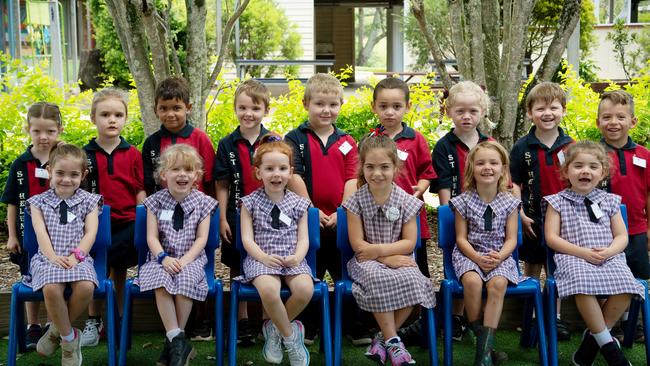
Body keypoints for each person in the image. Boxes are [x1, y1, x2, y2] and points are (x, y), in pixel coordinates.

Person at [543, 141, 644, 366]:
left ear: (603, 173)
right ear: (566, 170)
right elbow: (552, 238)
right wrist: (583, 253)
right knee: (582, 282)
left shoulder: (610, 201)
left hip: (608, 257)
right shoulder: (556, 201)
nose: (585, 171)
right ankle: (610, 350)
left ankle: (592, 341)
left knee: (627, 283)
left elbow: (621, 237)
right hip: (573, 257)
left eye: (593, 166)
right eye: (578, 166)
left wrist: (609, 252)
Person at [343, 131, 435, 366]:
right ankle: (394, 342)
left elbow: (409, 242)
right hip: (366, 262)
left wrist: (384, 254)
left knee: (415, 280)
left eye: (384, 167)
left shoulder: (406, 200)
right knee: (377, 277)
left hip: (399, 258)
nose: (377, 173)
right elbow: (358, 244)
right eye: (370, 167)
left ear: (396, 167)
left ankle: (382, 339)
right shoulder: (355, 201)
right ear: (362, 168)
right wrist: (384, 258)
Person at [285, 73, 363, 344]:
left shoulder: (347, 142)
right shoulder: (295, 139)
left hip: (341, 222)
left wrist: (341, 211)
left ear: (340, 105)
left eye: (333, 104)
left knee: (346, 272)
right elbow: (293, 176)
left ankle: (354, 327)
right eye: (319, 104)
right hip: (308, 222)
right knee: (309, 274)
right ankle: (307, 327)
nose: (326, 110)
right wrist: (312, 210)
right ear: (306, 103)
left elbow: (352, 177)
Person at [141, 76, 217, 340]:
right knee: (168, 271)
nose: (170, 113)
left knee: (193, 268)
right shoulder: (152, 143)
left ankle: (201, 319)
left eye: (176, 107)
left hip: (196, 214)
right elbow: (148, 184)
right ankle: (176, 334)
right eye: (164, 108)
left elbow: (211, 180)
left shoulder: (200, 138)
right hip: (164, 215)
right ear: (156, 110)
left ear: (188, 107)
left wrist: (208, 210)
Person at [139, 144, 218, 366]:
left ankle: (174, 345)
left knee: (185, 280)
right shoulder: (154, 202)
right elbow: (152, 238)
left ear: (197, 175)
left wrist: (184, 261)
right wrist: (163, 258)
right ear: (164, 174)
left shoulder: (204, 203)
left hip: (191, 258)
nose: (182, 174)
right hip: (161, 257)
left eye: (188, 169)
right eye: (175, 169)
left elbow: (202, 239)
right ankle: (179, 343)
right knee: (161, 281)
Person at [238, 134, 313, 366]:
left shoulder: (299, 204)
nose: (276, 174)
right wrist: (263, 257)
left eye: (282, 168)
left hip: (292, 258)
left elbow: (303, 239)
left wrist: (298, 257)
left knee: (304, 290)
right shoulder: (249, 203)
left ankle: (274, 330)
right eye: (269, 168)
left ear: (290, 172)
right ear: (258, 172)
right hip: (261, 258)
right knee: (269, 291)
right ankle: (291, 339)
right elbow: (247, 240)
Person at [25, 144, 103, 366]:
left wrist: (77, 256)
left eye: (74, 174)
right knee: (51, 287)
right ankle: (70, 340)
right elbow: (40, 232)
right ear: (49, 170)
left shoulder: (90, 201)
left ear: (84, 175)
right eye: (60, 173)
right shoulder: (38, 202)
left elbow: (91, 232)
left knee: (86, 286)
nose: (66, 180)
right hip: (47, 258)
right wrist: (52, 257)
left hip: (78, 257)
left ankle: (55, 332)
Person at [80, 88, 146, 347]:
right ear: (93, 118)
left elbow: (140, 189)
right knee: (97, 270)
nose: (112, 120)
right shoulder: (85, 154)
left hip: (127, 222)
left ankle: (117, 317)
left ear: (125, 119)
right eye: (105, 114)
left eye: (118, 115)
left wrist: (143, 217)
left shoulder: (133, 153)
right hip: (94, 224)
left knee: (118, 269)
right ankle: (94, 319)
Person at [509, 81, 574, 340]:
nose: (547, 113)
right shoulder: (522, 147)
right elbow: (515, 183)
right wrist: (520, 213)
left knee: (557, 270)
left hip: (563, 221)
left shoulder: (571, 146)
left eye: (554, 108)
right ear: (529, 113)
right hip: (532, 219)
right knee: (533, 268)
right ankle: (532, 317)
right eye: (540, 108)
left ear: (563, 110)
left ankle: (555, 318)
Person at [431, 80, 492, 341]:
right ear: (449, 112)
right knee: (457, 267)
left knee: (480, 268)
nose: (466, 117)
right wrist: (447, 215)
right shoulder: (444, 146)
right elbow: (444, 184)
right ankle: (456, 317)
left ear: (482, 112)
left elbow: (501, 181)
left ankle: (473, 319)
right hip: (458, 218)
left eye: (473, 111)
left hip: (487, 219)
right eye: (460, 111)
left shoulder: (489, 143)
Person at [449, 141, 520, 366]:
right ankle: (486, 348)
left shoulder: (509, 202)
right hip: (469, 253)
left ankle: (482, 356)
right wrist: (477, 258)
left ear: (503, 169)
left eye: (493, 163)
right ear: (471, 168)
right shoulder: (463, 201)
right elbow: (461, 238)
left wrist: (499, 256)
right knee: (472, 281)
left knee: (497, 284)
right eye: (480, 163)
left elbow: (511, 239)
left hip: (499, 255)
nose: (487, 167)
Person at [215, 79, 273, 345]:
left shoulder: (272, 141)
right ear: (235, 109)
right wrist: (223, 217)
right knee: (237, 266)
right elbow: (222, 183)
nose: (248, 113)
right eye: (242, 107)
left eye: (255, 108)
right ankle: (241, 321)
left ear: (265, 110)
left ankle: (266, 320)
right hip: (237, 217)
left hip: (267, 219)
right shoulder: (227, 144)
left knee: (265, 266)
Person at [1, 102, 63, 350]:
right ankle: (33, 325)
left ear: (59, 130)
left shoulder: (65, 157)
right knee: (29, 278)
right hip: (29, 237)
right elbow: (12, 203)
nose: (43, 137)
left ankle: (52, 325)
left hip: (61, 236)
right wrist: (12, 235)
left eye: (49, 131)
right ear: (28, 129)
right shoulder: (21, 164)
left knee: (55, 280)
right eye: (37, 131)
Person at [596, 90, 650, 342]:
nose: (613, 122)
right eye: (607, 117)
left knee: (636, 275)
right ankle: (610, 326)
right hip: (601, 231)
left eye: (620, 116)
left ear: (633, 121)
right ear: (598, 122)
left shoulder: (644, 156)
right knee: (607, 275)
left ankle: (632, 323)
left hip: (637, 229)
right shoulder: (593, 155)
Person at [370, 77, 436, 277]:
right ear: (374, 107)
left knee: (417, 265)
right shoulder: (370, 140)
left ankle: (421, 307)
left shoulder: (416, 139)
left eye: (397, 106)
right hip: (378, 215)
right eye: (383, 106)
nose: (390, 112)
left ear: (408, 107)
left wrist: (421, 189)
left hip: (410, 211)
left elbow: (427, 172)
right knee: (384, 262)